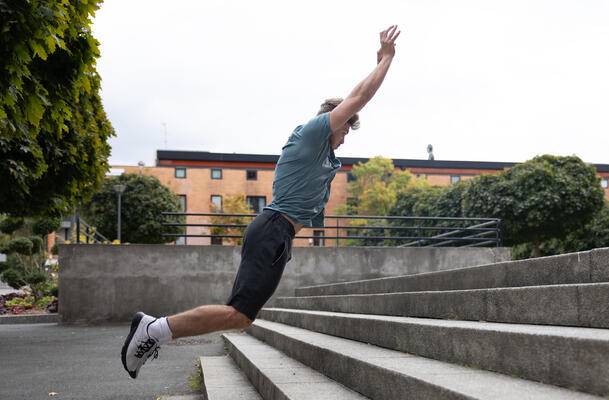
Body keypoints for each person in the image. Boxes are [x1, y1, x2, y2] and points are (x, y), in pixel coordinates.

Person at [120, 25, 401, 379]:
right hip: (271, 230)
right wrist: (386, 59)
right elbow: (357, 98)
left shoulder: (323, 157)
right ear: (334, 122)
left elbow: (352, 102)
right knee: (238, 313)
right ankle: (154, 329)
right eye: (344, 130)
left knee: (242, 315)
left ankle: (155, 330)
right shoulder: (312, 133)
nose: (345, 138)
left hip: (278, 236)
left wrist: (376, 65)